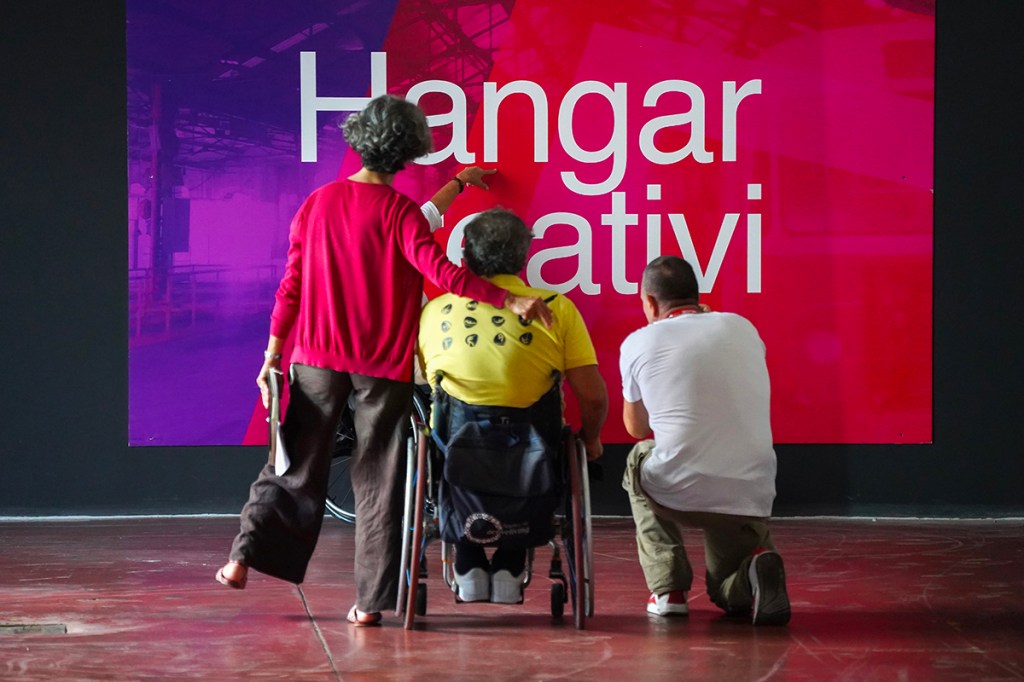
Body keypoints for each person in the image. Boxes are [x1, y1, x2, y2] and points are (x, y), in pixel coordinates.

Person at [215, 95, 552, 628]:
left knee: (293, 462)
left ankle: (242, 558)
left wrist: (272, 352)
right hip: (382, 366)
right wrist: (509, 299)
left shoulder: (318, 203)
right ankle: (370, 603)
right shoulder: (402, 215)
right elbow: (444, 273)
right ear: (410, 152)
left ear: (358, 140)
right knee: (379, 482)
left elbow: (291, 286)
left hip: (315, 357)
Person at [418, 208, 608, 604]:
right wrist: (591, 440)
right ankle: (510, 563)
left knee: (446, 437)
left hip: (455, 449)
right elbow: (592, 396)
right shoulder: (557, 308)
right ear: (524, 258)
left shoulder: (434, 312)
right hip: (534, 449)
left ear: (465, 257)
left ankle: (467, 562)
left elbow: (418, 379)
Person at [619, 255, 791, 626]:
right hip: (749, 492)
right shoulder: (742, 327)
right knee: (728, 592)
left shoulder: (638, 342)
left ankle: (669, 590)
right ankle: (753, 571)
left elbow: (636, 428)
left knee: (639, 456)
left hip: (678, 491)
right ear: (697, 295)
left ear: (650, 302)